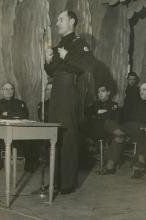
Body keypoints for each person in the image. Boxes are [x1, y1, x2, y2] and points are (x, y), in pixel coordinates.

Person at [44, 10, 97, 194]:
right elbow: (53, 71)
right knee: (54, 133)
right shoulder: (60, 44)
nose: (57, 23)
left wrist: (67, 56)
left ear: (72, 21)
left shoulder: (78, 43)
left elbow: (88, 65)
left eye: (61, 19)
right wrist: (47, 62)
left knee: (68, 135)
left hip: (69, 92)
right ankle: (54, 180)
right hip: (57, 92)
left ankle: (67, 183)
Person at [99, 82, 146, 177]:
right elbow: (125, 116)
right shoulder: (135, 102)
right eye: (140, 89)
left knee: (124, 135)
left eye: (144, 89)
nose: (141, 92)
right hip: (129, 128)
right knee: (112, 125)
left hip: (143, 129)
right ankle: (115, 166)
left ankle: (111, 166)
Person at [0, 82, 37, 172]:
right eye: (6, 89)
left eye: (11, 89)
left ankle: (29, 163)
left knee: (30, 137)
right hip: (3, 132)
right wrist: (14, 114)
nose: (9, 91)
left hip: (18, 132)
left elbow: (23, 115)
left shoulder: (20, 103)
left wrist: (7, 113)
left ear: (14, 91)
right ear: (2, 91)